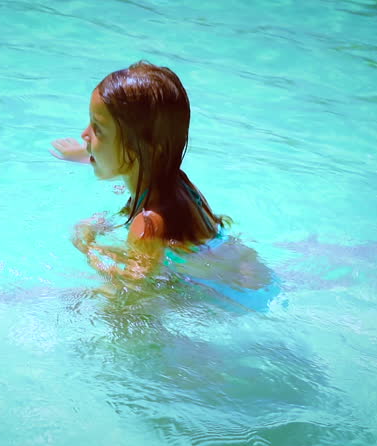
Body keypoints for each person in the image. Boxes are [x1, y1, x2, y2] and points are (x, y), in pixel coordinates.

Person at [51, 61, 274, 299]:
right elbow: (126, 158)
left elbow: (135, 287)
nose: (84, 134)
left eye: (98, 129)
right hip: (250, 274)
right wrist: (85, 153)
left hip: (230, 298)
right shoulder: (176, 181)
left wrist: (87, 246)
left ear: (137, 150)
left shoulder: (147, 226)